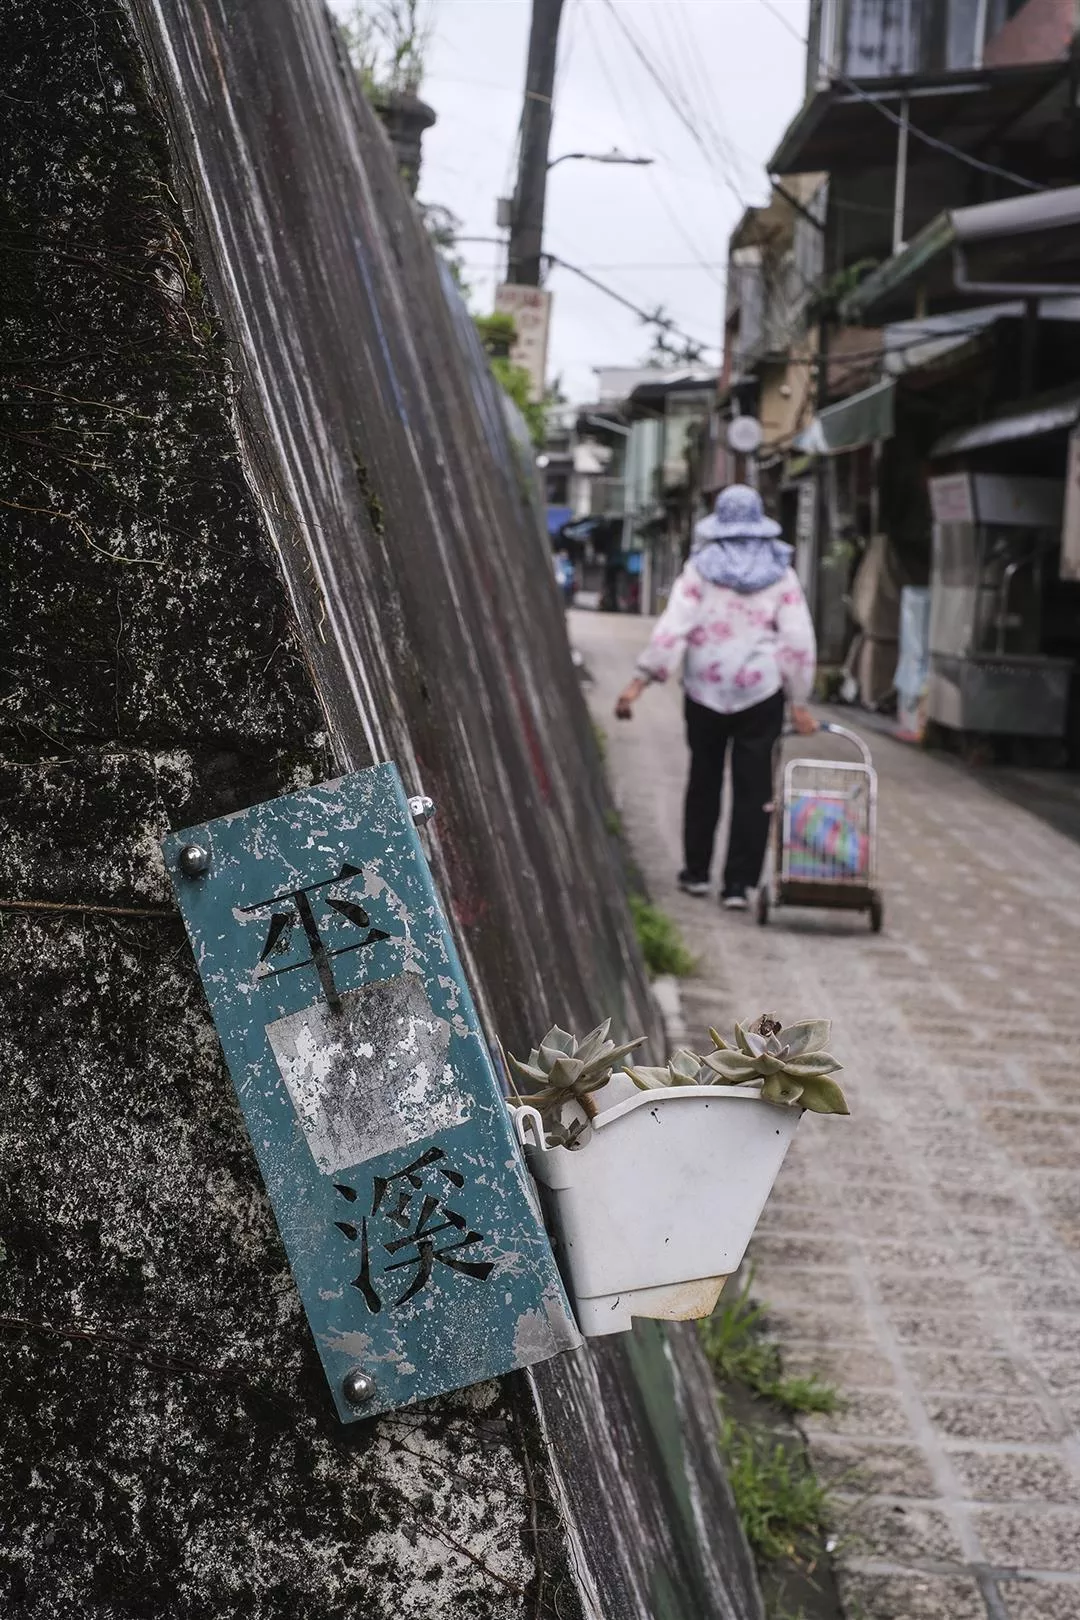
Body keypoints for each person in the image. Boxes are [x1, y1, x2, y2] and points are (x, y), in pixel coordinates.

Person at [615, 484, 817, 910]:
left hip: (704, 689)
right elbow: (797, 639)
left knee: (703, 779)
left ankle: (696, 873)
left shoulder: (700, 569)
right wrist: (799, 700)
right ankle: (738, 886)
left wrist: (640, 681)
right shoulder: (780, 572)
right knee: (754, 787)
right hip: (760, 692)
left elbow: (673, 628)